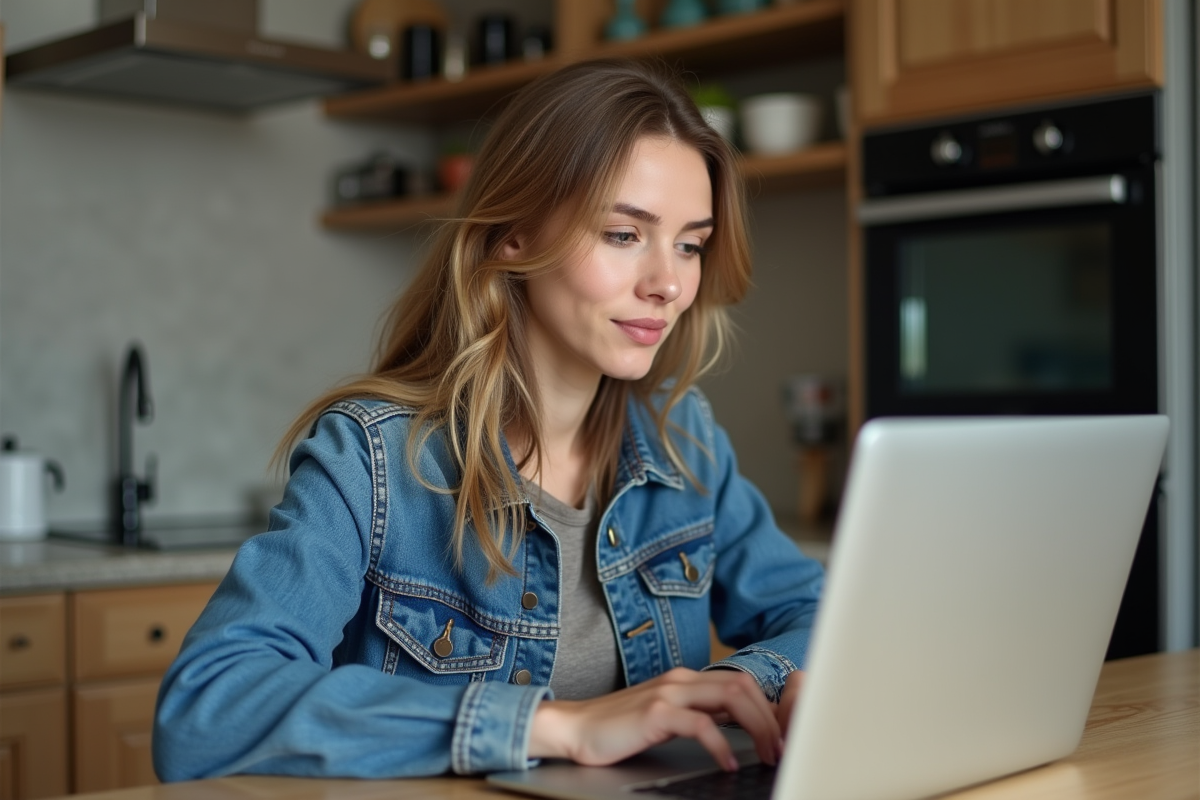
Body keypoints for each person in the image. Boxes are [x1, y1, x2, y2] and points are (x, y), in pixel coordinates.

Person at [152, 57, 824, 781]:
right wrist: (554, 726)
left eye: (690, 244)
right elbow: (204, 710)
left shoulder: (681, 438)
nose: (668, 283)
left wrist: (743, 684)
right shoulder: (373, 460)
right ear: (515, 236)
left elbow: (822, 616)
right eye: (624, 235)